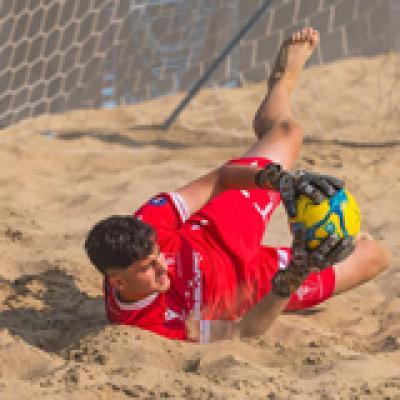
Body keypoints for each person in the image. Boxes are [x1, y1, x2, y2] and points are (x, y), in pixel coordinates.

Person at [85, 28, 390, 342]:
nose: (164, 267)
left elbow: (220, 179)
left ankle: (281, 82)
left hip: (219, 228)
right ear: (117, 282)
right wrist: (293, 275)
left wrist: (279, 179)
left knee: (288, 132)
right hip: (249, 284)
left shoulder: (147, 223)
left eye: (158, 254)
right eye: (148, 267)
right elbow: (241, 331)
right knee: (376, 257)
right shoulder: (151, 326)